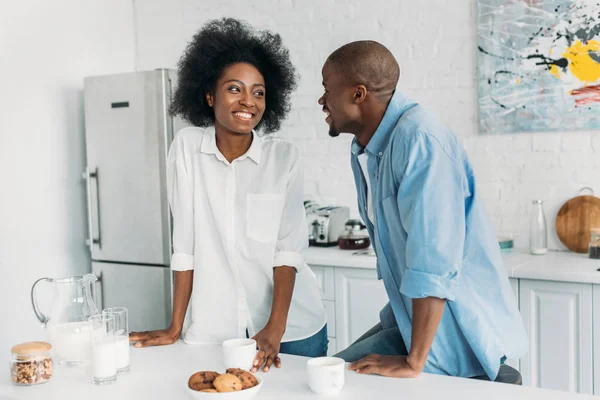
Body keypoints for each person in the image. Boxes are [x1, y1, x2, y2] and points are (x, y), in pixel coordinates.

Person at [318, 41, 527, 380]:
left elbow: (433, 261)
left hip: (457, 338)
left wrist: (413, 361)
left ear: (358, 95)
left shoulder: (420, 141)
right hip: (412, 324)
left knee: (337, 380)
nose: (322, 101)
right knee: (325, 374)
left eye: (327, 90)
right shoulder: (373, 149)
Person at [130, 18, 327, 373]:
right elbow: (185, 246)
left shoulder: (284, 158)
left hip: (292, 328)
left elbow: (287, 251)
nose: (248, 101)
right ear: (209, 95)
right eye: (234, 89)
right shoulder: (188, 148)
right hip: (215, 330)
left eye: (258, 92)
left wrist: (275, 328)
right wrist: (175, 325)